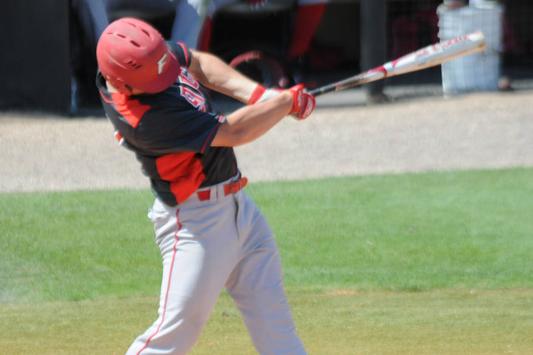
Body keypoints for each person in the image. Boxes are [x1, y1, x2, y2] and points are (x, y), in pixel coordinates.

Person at [95, 17, 315, 354]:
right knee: (171, 336)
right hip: (196, 226)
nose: (166, 75)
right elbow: (234, 133)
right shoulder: (146, 121)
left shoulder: (140, 59)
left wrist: (262, 96)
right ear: (122, 84)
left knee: (276, 327)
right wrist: (283, 104)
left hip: (241, 212)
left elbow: (198, 61)